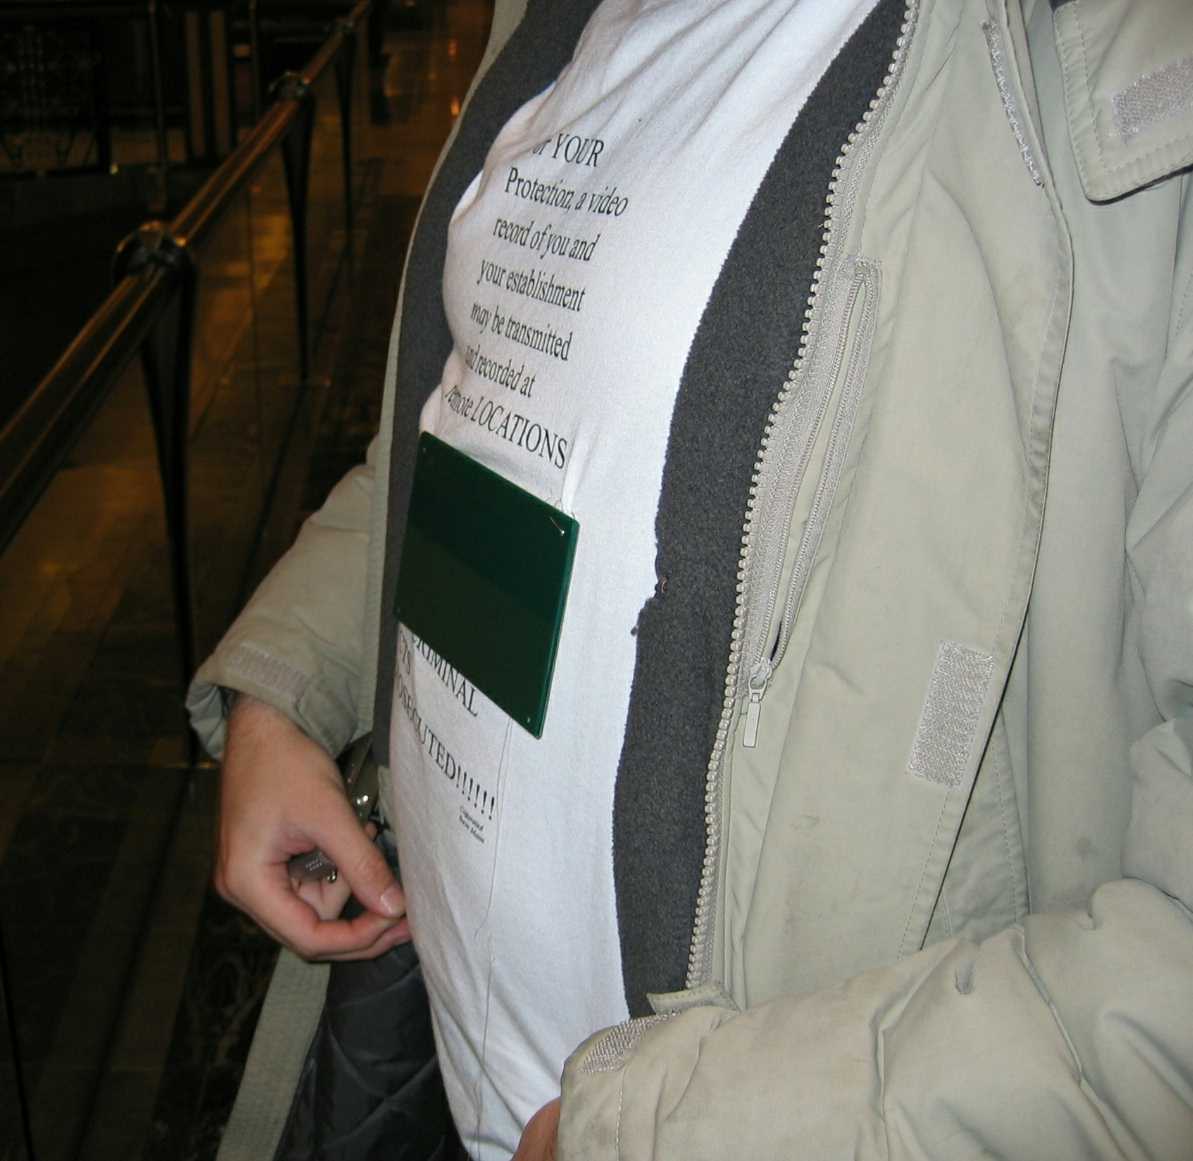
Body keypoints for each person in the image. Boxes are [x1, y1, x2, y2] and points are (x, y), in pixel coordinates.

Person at [190, 0, 1193, 1157]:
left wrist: (666, 1134)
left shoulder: (1121, 67)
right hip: (433, 1037)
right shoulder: (553, 18)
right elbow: (475, 417)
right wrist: (287, 686)